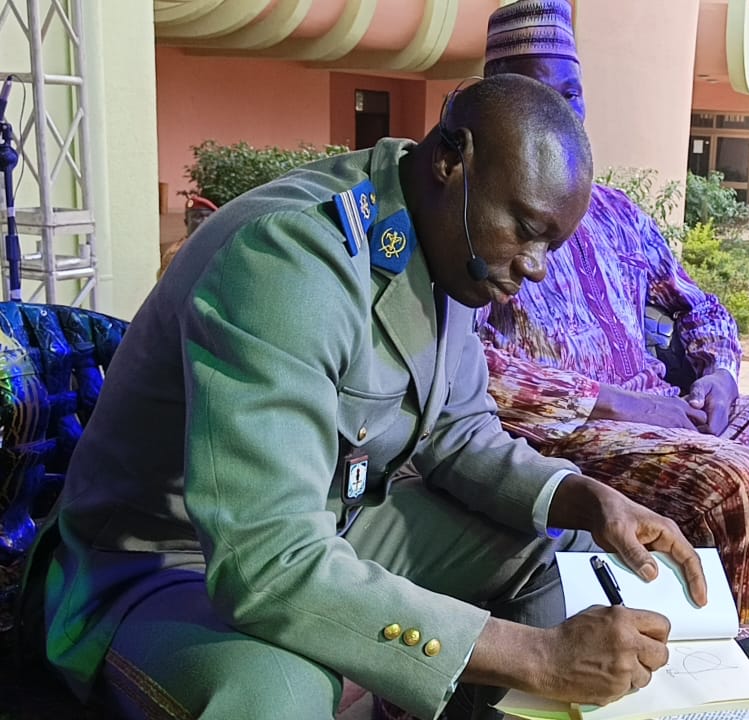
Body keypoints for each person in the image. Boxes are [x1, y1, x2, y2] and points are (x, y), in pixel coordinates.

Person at [19, 74, 708, 720]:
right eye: (527, 229)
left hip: (330, 525)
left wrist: (584, 497)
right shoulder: (287, 261)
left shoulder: (445, 239)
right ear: (451, 160)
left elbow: (457, 432)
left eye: (551, 245)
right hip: (162, 560)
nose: (535, 267)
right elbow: (265, 560)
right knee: (277, 690)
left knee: (552, 550)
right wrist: (536, 656)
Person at [476, 0, 749, 630]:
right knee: (740, 484)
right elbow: (471, 372)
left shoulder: (614, 211)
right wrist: (618, 404)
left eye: (571, 93)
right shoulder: (470, 215)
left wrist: (719, 373)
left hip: (672, 415)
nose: (563, 114)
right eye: (540, 95)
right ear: (496, 105)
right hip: (563, 442)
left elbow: (697, 305)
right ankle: (740, 670)